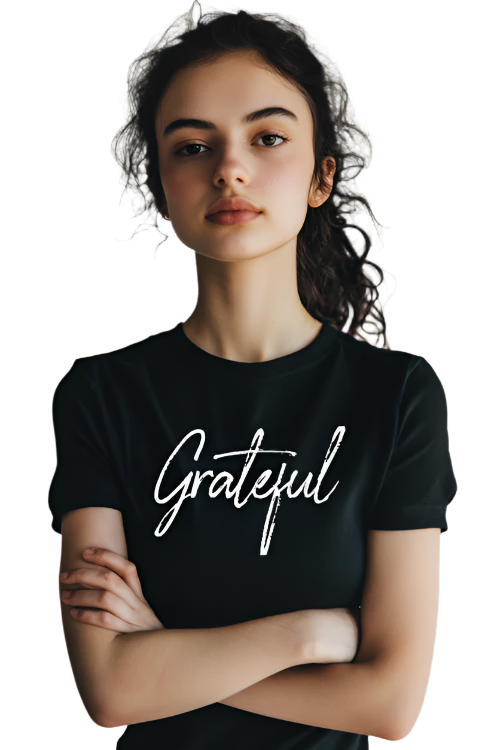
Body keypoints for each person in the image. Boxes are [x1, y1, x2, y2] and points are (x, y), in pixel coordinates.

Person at [49, 3, 458, 748]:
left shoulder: (395, 398)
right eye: (192, 146)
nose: (229, 167)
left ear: (319, 176)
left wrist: (168, 649)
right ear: (160, 184)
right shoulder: (102, 397)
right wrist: (311, 634)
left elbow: (390, 702)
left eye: (267, 137)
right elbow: (111, 689)